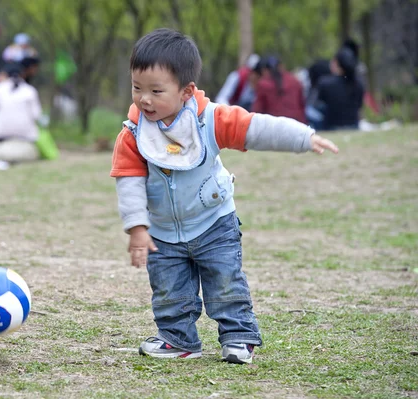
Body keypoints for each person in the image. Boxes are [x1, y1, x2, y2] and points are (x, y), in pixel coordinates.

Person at [111, 29, 338, 364]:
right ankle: (177, 339)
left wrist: (303, 137)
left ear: (186, 91)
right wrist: (137, 227)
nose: (144, 99)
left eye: (156, 91)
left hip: (213, 223)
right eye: (137, 88)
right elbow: (128, 181)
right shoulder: (133, 134)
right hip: (162, 233)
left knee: (225, 282)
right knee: (169, 292)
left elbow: (256, 128)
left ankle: (238, 336)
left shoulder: (209, 120)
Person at [308, 47, 364, 130]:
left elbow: (315, 106)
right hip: (353, 125)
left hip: (330, 126)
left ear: (336, 63)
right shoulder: (359, 84)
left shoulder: (325, 83)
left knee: (309, 110)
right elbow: (359, 108)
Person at [252, 56, 307, 123]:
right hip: (297, 124)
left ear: (265, 70)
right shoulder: (295, 81)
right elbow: (302, 106)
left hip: (273, 126)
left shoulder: (263, 84)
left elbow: (257, 110)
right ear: (282, 66)